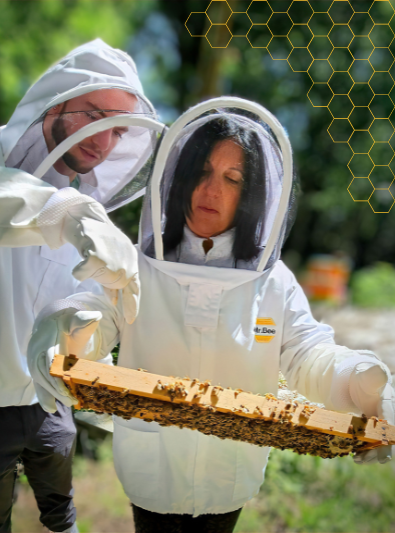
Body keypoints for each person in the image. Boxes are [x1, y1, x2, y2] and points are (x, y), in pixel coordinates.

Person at [27, 98, 395, 533]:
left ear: (252, 193)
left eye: (232, 178)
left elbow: (307, 353)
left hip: (231, 473)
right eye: (201, 172)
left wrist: (361, 380)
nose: (212, 190)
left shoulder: (272, 280)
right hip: (150, 469)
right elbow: (98, 317)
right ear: (180, 180)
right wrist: (68, 321)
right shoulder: (136, 266)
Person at [0, 39, 164, 533]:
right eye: (93, 115)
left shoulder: (86, 216)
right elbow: (7, 197)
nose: (103, 139)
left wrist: (91, 331)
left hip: (48, 403)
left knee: (62, 515)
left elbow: (83, 310)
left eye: (116, 129)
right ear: (57, 103)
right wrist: (68, 214)